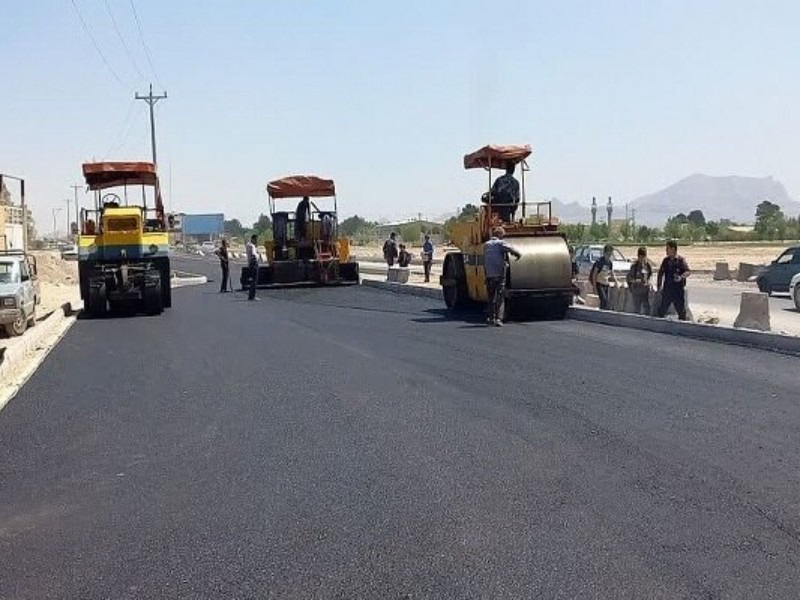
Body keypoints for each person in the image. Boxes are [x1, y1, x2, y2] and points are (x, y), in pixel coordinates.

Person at [483, 226, 521, 326]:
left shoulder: (486, 245)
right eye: (503, 235)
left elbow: (485, 261)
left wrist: (486, 275)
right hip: (499, 275)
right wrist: (518, 254)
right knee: (500, 297)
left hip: (489, 275)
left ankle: (491, 318)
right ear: (500, 235)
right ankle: (499, 319)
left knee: (491, 297)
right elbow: (511, 249)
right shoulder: (500, 243)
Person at [657, 240, 691, 320]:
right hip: (667, 290)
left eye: (667, 248)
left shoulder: (680, 260)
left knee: (681, 311)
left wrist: (681, 277)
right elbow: (660, 273)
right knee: (662, 310)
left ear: (673, 249)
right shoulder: (666, 261)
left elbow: (688, 271)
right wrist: (659, 286)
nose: (666, 250)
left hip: (677, 290)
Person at [589, 244, 617, 310]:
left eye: (610, 254)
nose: (609, 256)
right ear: (605, 253)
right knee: (604, 300)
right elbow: (594, 275)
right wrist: (594, 287)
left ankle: (603, 313)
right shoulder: (599, 262)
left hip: (606, 284)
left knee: (606, 301)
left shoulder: (610, 263)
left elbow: (612, 273)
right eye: (608, 254)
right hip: (599, 284)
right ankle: (601, 314)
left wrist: (616, 282)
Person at [626, 246, 652, 315]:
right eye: (641, 257)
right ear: (638, 256)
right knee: (637, 309)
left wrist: (648, 282)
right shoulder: (634, 266)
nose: (642, 259)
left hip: (645, 291)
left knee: (647, 308)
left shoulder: (647, 265)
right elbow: (629, 278)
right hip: (637, 291)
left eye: (643, 257)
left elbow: (650, 275)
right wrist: (636, 281)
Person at [246, 234, 260, 301]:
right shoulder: (252, 246)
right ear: (253, 239)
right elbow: (254, 255)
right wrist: (258, 255)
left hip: (250, 264)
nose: (257, 241)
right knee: (254, 281)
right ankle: (252, 296)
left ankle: (251, 296)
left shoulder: (248, 245)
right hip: (254, 264)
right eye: (256, 240)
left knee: (252, 280)